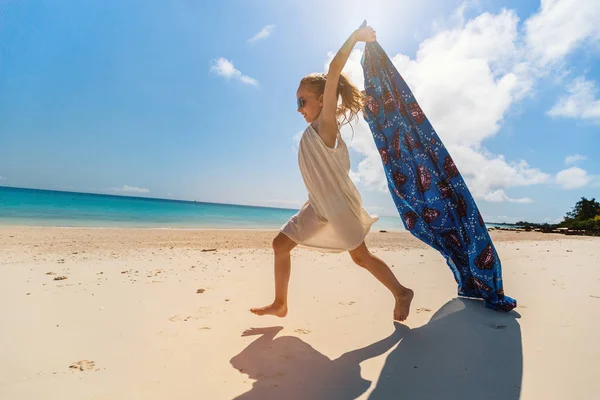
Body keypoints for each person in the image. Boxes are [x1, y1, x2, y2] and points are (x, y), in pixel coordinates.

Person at [250, 25, 414, 321]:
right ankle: (280, 304)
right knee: (281, 244)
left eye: (302, 101)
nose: (298, 107)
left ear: (323, 100)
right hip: (317, 205)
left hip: (337, 206)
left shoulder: (326, 126)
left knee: (360, 257)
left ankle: (402, 292)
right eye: (296, 102)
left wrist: (355, 37)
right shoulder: (312, 130)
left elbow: (334, 69)